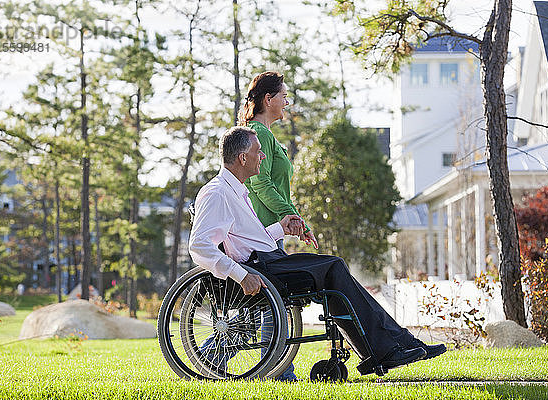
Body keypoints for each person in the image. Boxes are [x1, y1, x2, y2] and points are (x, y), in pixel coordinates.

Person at [189, 126, 446, 378]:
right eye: (259, 151)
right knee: (333, 267)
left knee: (334, 270)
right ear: (243, 158)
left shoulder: (235, 191)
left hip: (269, 260)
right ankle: (388, 347)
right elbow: (199, 246)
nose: (263, 156)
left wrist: (281, 228)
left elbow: (249, 240)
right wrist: (240, 275)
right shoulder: (217, 193)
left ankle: (391, 346)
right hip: (262, 268)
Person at [238, 71, 317, 250]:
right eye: (284, 97)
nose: (286, 103)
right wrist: (292, 217)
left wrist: (299, 222)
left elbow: (278, 190)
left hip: (272, 229)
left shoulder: (262, 133)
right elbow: (261, 184)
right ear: (268, 99)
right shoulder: (259, 133)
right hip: (264, 232)